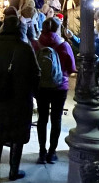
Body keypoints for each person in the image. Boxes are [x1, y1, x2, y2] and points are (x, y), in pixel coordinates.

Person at [0, 15, 40, 181]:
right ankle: (13, 170)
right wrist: (33, 92)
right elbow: (35, 73)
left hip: (0, 96)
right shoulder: (25, 48)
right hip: (21, 98)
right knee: (18, 133)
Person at [32, 17, 76, 164]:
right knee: (56, 119)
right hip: (59, 87)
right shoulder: (64, 46)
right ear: (57, 28)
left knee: (42, 119)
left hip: (40, 86)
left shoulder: (35, 44)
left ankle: (41, 152)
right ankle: (52, 152)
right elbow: (71, 68)